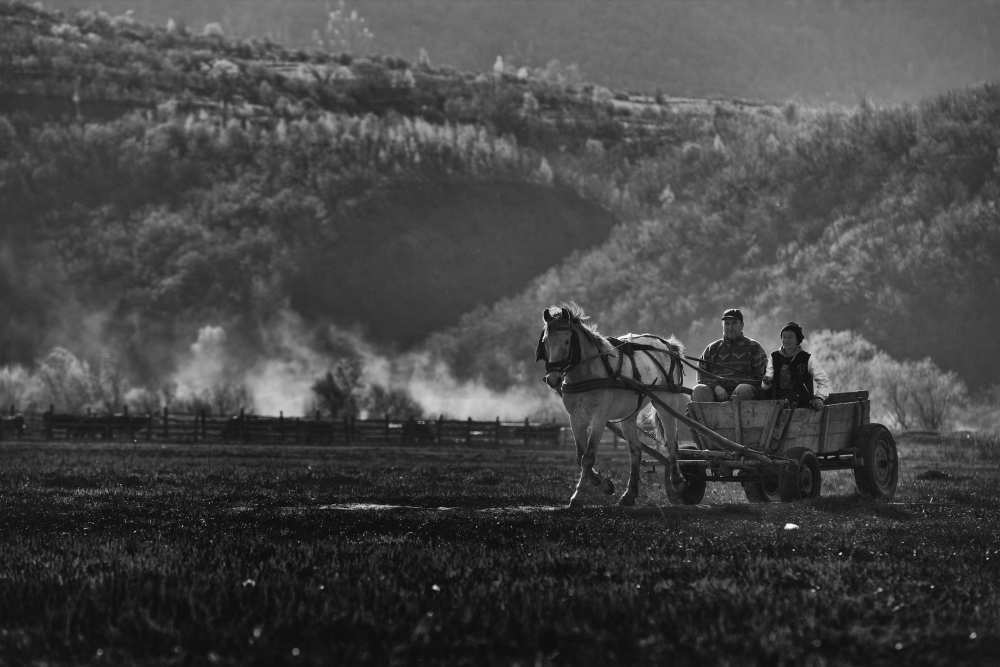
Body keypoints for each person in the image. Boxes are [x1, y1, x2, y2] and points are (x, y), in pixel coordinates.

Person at [691, 308, 767, 402]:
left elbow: (762, 377)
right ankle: (702, 417)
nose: (730, 327)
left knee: (743, 389)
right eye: (727, 324)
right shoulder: (712, 349)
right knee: (699, 390)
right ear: (723, 326)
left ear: (742, 325)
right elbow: (701, 375)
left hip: (744, 395)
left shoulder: (754, 347)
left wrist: (738, 386)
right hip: (716, 394)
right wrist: (716, 387)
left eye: (734, 323)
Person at [761, 321, 830, 410]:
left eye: (790, 337)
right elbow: (765, 385)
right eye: (784, 337)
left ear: (798, 339)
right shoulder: (774, 357)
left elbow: (824, 381)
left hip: (801, 404)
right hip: (776, 403)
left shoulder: (806, 358)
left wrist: (819, 398)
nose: (786, 340)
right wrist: (766, 382)